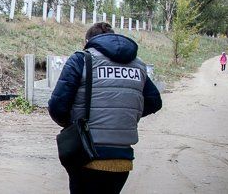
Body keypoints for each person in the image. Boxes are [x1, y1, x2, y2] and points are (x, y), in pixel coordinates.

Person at [49, 22, 162, 194]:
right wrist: (127, 115)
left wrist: (76, 127)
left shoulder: (82, 59)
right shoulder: (138, 65)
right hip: (123, 158)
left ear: (88, 40)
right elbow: (154, 102)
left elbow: (57, 107)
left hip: (86, 155)